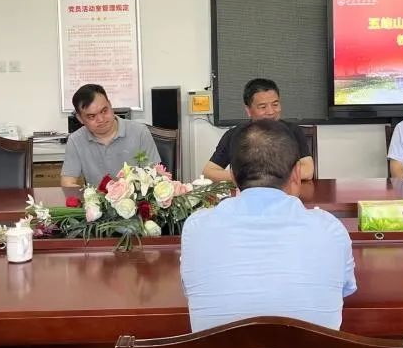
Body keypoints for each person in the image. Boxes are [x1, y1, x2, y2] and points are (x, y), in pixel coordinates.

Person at [182, 119, 356, 331]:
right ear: (296, 174)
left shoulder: (196, 229)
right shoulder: (330, 230)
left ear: (234, 176)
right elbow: (344, 289)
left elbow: (191, 291)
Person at [201, 78, 314, 182]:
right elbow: (208, 172)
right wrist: (244, 178)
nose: (271, 112)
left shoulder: (293, 131)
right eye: (263, 107)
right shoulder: (234, 135)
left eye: (275, 104)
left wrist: (261, 178)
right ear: (248, 110)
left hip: (286, 193)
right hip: (247, 194)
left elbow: (308, 171)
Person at [60, 83, 160, 186]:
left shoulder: (139, 132)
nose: (101, 119)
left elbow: (155, 176)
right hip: (98, 196)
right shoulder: (76, 140)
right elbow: (68, 183)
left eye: (104, 111)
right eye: (92, 116)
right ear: (80, 118)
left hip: (136, 195)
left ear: (110, 105)